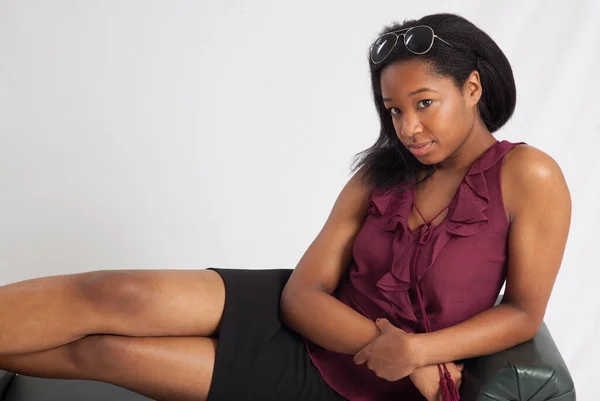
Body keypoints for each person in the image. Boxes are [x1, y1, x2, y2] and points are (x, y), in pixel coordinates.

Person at [0, 12, 571, 401]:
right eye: (393, 110)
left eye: (425, 103)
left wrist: (421, 351)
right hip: (317, 319)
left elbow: (522, 311)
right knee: (114, 293)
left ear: (472, 88)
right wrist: (410, 356)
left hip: (355, 385)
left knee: (112, 354)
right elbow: (301, 296)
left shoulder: (529, 174)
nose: (408, 128)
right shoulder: (383, 171)